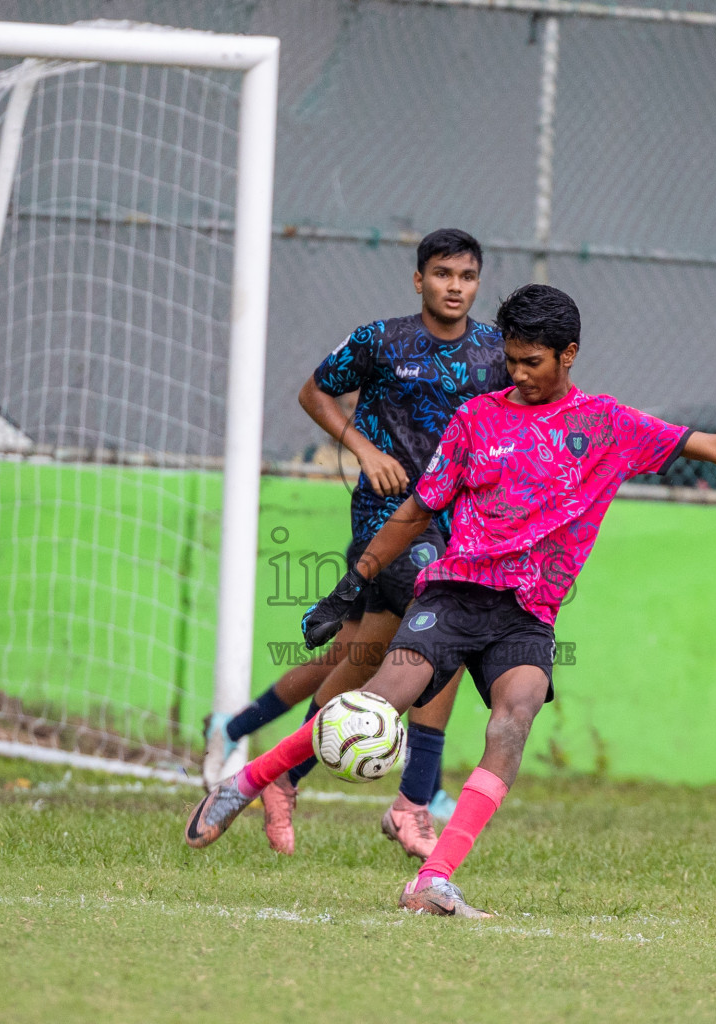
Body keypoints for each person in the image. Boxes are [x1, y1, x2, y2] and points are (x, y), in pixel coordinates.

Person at [184, 283, 716, 916]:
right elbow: (415, 510)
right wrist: (355, 580)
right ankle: (247, 780)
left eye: (533, 362)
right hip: (457, 593)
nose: (518, 374)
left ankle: (433, 879)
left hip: (528, 615)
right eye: (512, 361)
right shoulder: (477, 421)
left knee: (516, 715)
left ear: (569, 355)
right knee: (378, 700)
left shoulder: (608, 426)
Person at [202, 228, 510, 858]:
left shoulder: (494, 352)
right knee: (441, 621)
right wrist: (366, 451)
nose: (455, 287)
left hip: (459, 525)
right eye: (443, 274)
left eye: (467, 277)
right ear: (418, 278)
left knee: (364, 656)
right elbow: (313, 391)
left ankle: (284, 773)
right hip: (387, 520)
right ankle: (413, 802)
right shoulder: (381, 340)